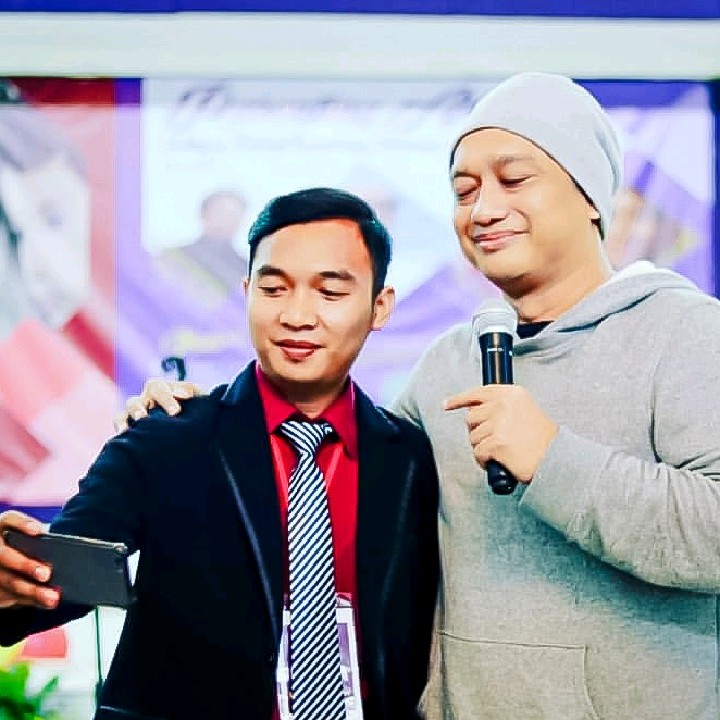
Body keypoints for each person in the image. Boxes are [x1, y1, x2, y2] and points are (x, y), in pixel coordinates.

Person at [123, 73, 720, 719]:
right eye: (465, 190)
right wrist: (195, 422)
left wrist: (552, 460)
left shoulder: (686, 332)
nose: (483, 209)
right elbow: (339, 458)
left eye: (513, 179)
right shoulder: (451, 360)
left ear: (591, 196)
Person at [0, 188, 440, 720]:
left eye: (330, 292)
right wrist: (10, 580)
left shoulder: (412, 460)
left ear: (379, 307)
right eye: (274, 289)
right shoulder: (164, 440)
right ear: (247, 293)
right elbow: (54, 582)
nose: (297, 315)